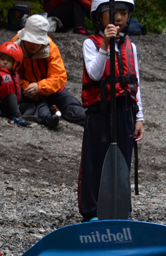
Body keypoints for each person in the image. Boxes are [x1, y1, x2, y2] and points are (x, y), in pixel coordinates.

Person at [77, 0, 144, 222]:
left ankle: (118, 208)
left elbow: (135, 84)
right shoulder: (91, 43)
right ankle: (92, 211)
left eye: (123, 13)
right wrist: (105, 44)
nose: (118, 18)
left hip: (124, 111)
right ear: (99, 16)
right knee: (96, 161)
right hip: (100, 112)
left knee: (122, 161)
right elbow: (95, 74)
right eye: (112, 13)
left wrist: (139, 117)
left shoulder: (130, 47)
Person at [12, 15, 86, 130]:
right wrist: (28, 88)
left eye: (37, 41)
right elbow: (8, 74)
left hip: (50, 90)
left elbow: (59, 77)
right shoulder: (14, 47)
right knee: (25, 104)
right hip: (24, 91)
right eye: (30, 40)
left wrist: (39, 87)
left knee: (75, 110)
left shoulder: (51, 48)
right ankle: (46, 116)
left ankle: (101, 125)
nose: (33, 44)